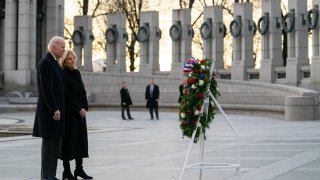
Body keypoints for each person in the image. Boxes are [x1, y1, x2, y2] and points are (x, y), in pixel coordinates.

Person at [32, 36, 66, 180]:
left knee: (54, 146)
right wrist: (54, 108)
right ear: (53, 47)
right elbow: (46, 90)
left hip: (54, 112)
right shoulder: (46, 63)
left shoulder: (54, 62)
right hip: (49, 112)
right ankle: (47, 176)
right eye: (62, 47)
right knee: (49, 146)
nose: (64, 50)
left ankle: (50, 175)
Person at [59, 49, 92, 180]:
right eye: (69, 59)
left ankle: (79, 170)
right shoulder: (63, 74)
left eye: (73, 58)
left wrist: (85, 107)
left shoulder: (77, 73)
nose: (72, 60)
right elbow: (66, 96)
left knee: (80, 142)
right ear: (64, 61)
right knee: (68, 144)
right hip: (69, 114)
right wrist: (78, 109)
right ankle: (67, 172)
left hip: (80, 114)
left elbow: (83, 92)